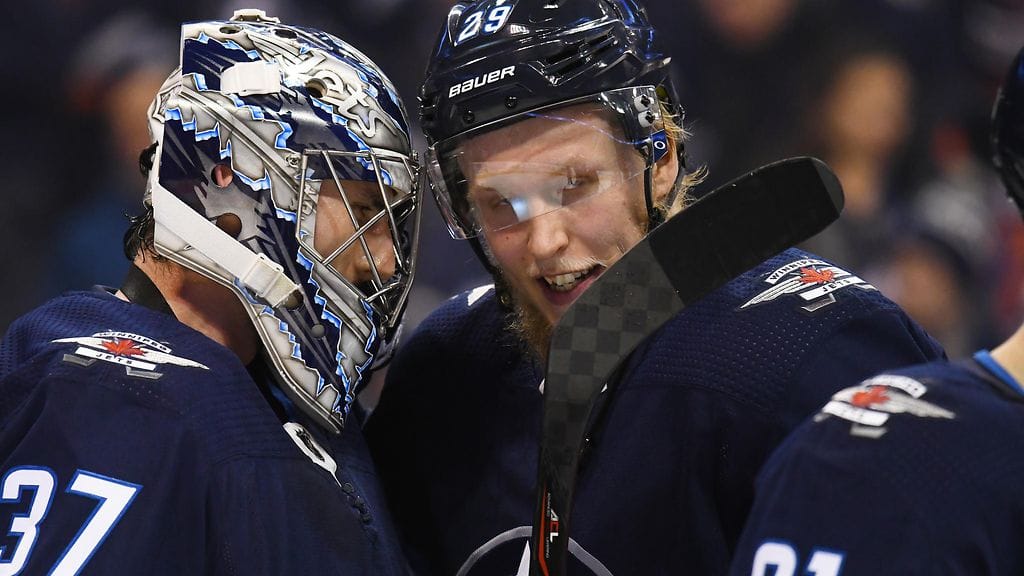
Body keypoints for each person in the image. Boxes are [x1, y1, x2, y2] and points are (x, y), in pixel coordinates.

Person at [363, 1, 946, 574]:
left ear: (659, 156)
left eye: (573, 185)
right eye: (500, 204)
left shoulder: (812, 352)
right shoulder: (445, 372)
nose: (544, 242)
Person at [0, 10, 419, 574]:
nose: (386, 259)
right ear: (226, 184)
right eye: (364, 208)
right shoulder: (117, 403)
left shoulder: (267, 389)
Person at [728, 45, 1024, 576]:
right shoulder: (869, 456)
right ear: (827, 101)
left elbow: (937, 294)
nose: (881, 111)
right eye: (866, 95)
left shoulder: (930, 194)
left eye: (893, 99)